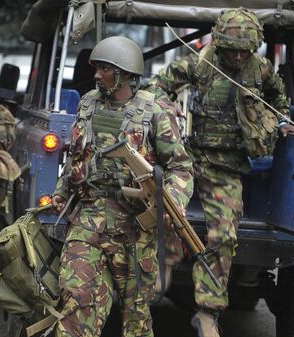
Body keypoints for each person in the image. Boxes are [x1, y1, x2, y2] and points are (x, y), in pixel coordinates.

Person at [149, 8, 294, 336]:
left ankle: (207, 313)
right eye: (233, 49)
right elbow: (157, 87)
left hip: (227, 166)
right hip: (190, 158)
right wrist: (165, 106)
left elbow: (279, 101)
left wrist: (279, 122)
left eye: (245, 49)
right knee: (167, 212)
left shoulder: (260, 70)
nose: (239, 55)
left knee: (224, 235)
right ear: (221, 42)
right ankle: (165, 264)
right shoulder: (201, 61)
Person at [51, 36, 193, 337]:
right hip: (87, 221)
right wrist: (62, 192)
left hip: (133, 229)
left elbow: (180, 167)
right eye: (97, 68)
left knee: (136, 318)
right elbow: (78, 154)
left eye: (104, 69)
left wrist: (174, 201)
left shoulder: (154, 112)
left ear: (125, 73)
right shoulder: (88, 103)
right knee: (75, 304)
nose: (97, 75)